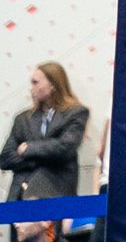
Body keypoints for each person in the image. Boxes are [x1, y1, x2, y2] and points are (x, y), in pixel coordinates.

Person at [2, 64, 87, 240]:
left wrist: (28, 148)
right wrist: (45, 156)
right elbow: (5, 158)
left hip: (55, 197)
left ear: (53, 84)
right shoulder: (22, 119)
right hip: (20, 200)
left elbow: (65, 148)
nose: (31, 88)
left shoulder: (76, 113)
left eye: (36, 82)